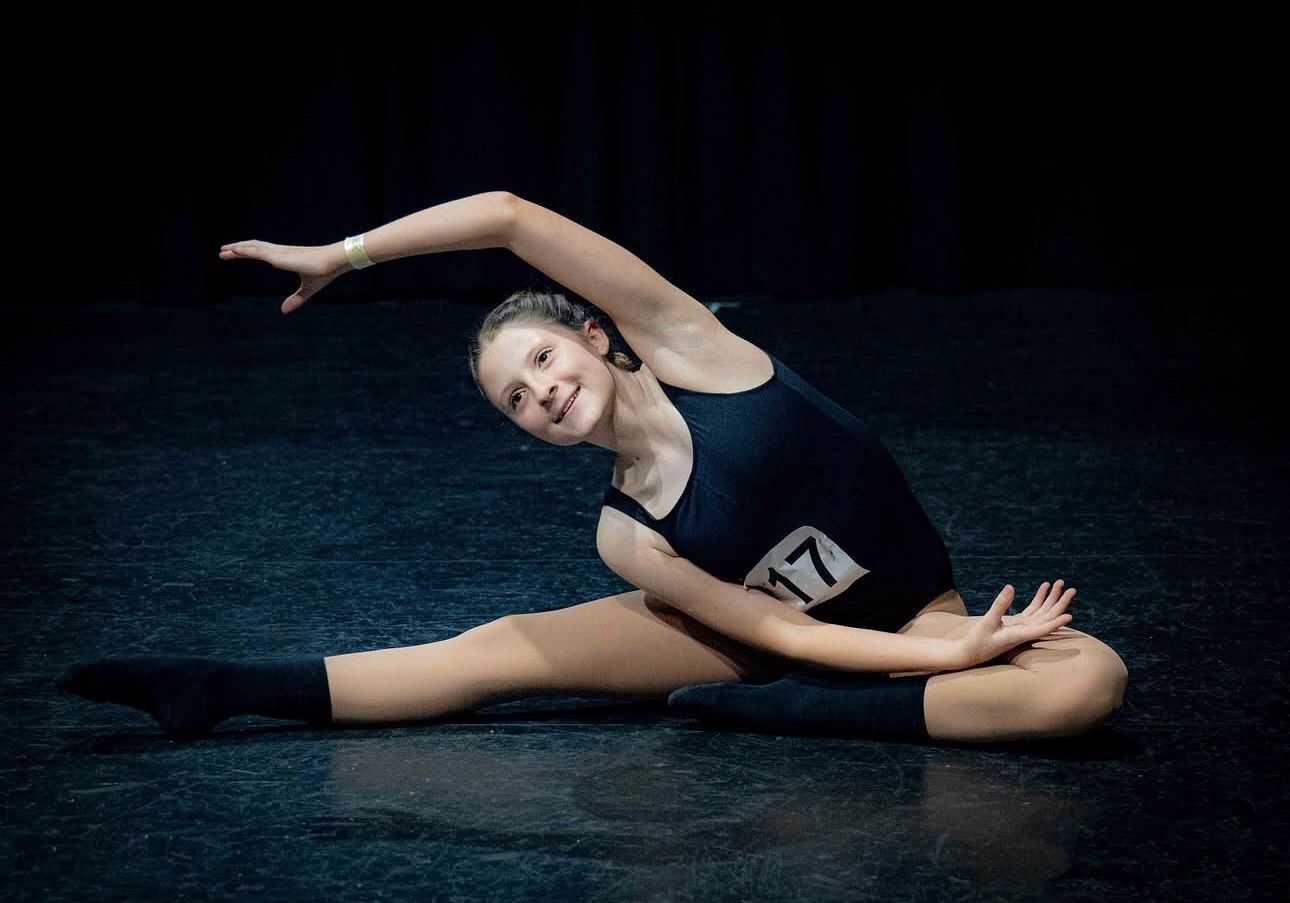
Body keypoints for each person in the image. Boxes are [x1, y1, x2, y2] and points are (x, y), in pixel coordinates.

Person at [54, 191, 1129, 743]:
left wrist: (343, 256)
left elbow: (511, 219)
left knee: (1090, 681)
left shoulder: (698, 350)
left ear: (592, 335)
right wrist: (922, 676)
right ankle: (218, 689)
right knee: (496, 654)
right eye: (515, 401)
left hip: (909, 618)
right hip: (769, 648)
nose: (541, 392)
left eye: (541, 360)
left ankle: (791, 718)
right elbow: (780, 632)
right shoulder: (626, 533)